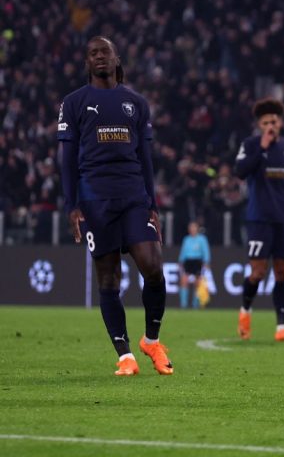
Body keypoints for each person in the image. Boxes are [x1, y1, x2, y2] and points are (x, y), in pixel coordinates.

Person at [57, 36, 172, 376]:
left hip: (134, 196)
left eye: (104, 51)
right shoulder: (73, 103)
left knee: (153, 267)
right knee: (109, 280)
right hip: (95, 200)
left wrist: (153, 204)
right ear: (87, 62)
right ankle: (125, 356)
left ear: (116, 58)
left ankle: (151, 341)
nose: (99, 57)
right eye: (92, 53)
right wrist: (72, 205)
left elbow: (145, 158)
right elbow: (67, 160)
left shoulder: (135, 103)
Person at [234, 98, 284, 342]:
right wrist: (262, 147)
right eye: (266, 122)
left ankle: (282, 328)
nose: (271, 126)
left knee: (282, 272)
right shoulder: (250, 145)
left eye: (274, 122)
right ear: (259, 125)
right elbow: (240, 171)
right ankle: (245, 312)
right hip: (259, 218)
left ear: (280, 124)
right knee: (258, 272)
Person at [178, 221, 212, 308]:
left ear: (197, 228)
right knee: (184, 281)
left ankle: (195, 304)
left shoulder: (202, 239)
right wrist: (180, 261)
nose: (192, 229)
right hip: (188, 261)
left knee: (197, 282)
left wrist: (206, 262)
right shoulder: (186, 239)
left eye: (194, 227)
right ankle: (183, 305)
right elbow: (183, 251)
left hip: (197, 261)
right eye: (191, 227)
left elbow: (206, 251)